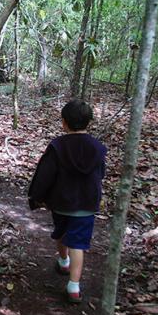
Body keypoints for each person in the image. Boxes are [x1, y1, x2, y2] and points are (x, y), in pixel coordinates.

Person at [27, 99, 107, 304]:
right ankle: (74, 286)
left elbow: (45, 174)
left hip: (61, 202)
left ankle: (63, 262)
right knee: (78, 243)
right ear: (89, 122)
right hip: (87, 204)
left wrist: (37, 197)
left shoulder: (57, 146)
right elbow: (101, 174)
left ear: (64, 122)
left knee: (62, 233)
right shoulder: (98, 148)